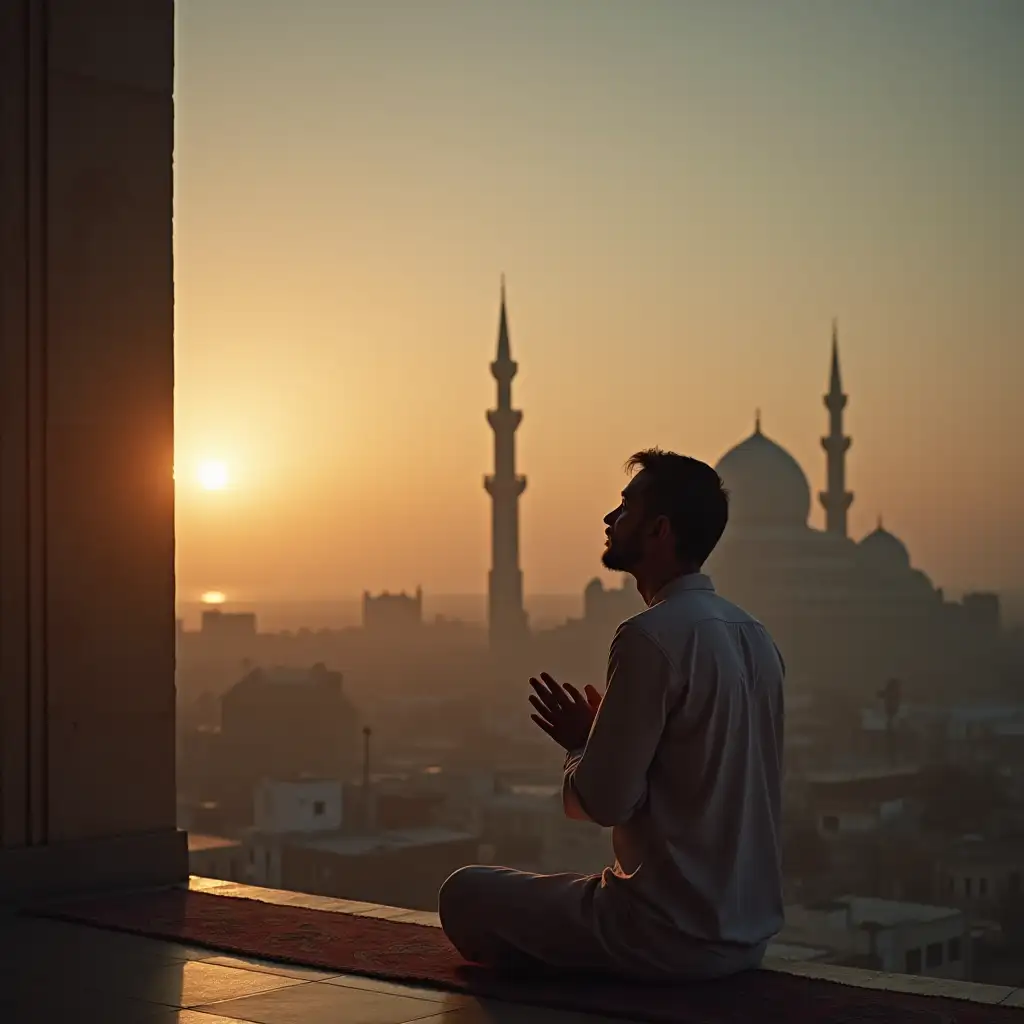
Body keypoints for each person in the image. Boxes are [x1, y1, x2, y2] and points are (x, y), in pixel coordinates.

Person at [438, 448, 785, 980]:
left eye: (625, 508)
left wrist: (584, 744)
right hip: (746, 938)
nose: (609, 519)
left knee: (464, 893)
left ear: (658, 530)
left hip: (660, 934)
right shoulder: (757, 639)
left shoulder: (650, 636)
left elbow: (603, 802)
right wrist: (611, 739)